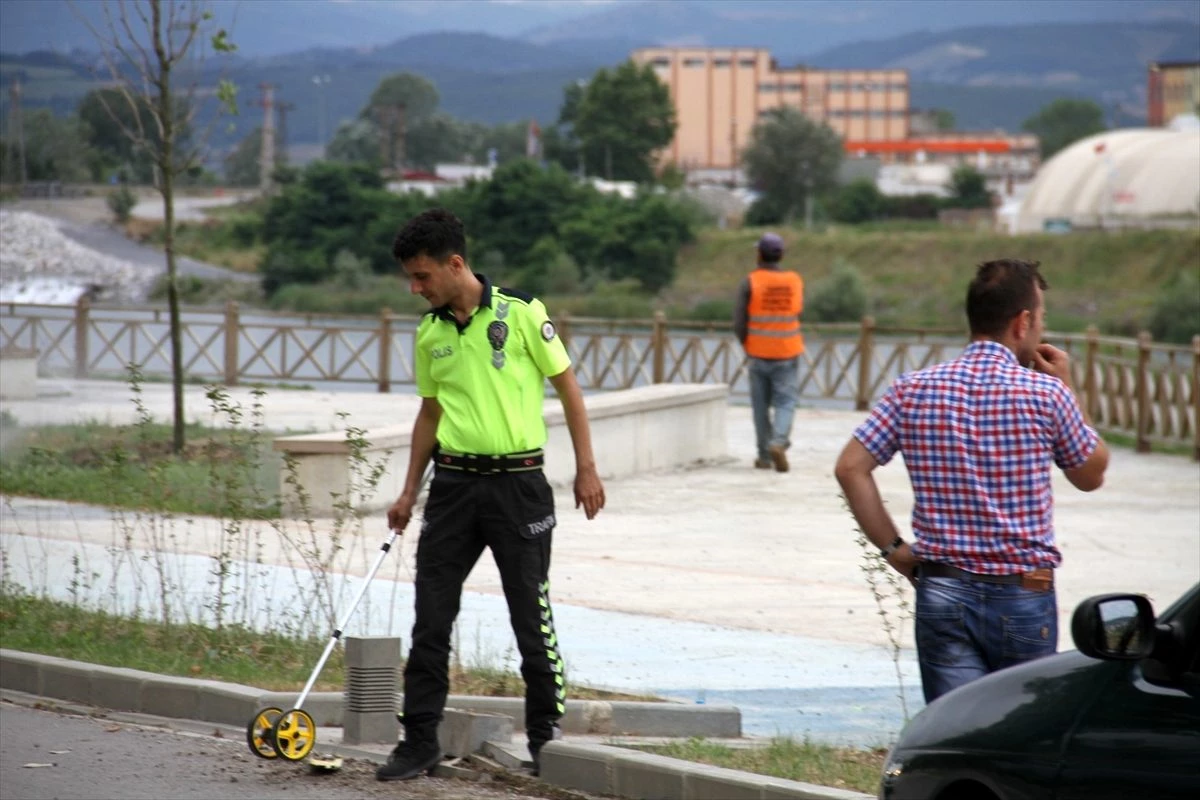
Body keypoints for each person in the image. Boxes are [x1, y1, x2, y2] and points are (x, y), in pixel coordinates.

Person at [377, 208, 606, 781]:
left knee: (531, 613)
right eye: (410, 277)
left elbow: (569, 389)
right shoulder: (430, 332)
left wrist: (587, 469)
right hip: (452, 488)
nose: (415, 288)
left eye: (423, 276)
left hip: (519, 487)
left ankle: (546, 739)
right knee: (431, 615)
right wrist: (408, 491)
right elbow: (430, 413)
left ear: (455, 264)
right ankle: (419, 740)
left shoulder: (522, 314)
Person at [834, 258, 1109, 704]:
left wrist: (896, 552)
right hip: (1024, 593)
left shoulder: (912, 389)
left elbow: (850, 467)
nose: (1040, 331)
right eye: (1040, 320)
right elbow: (1090, 474)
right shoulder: (1046, 394)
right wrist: (1070, 390)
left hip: (941, 588)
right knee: (1020, 737)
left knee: (957, 733)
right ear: (1022, 323)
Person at [733, 232, 804, 473]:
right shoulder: (794, 281)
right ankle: (778, 442)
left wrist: (747, 344)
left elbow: (739, 321)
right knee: (786, 402)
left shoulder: (750, 281)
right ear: (781, 255)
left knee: (760, 405)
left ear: (758, 254)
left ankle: (764, 456)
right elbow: (797, 312)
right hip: (787, 352)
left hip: (758, 353)